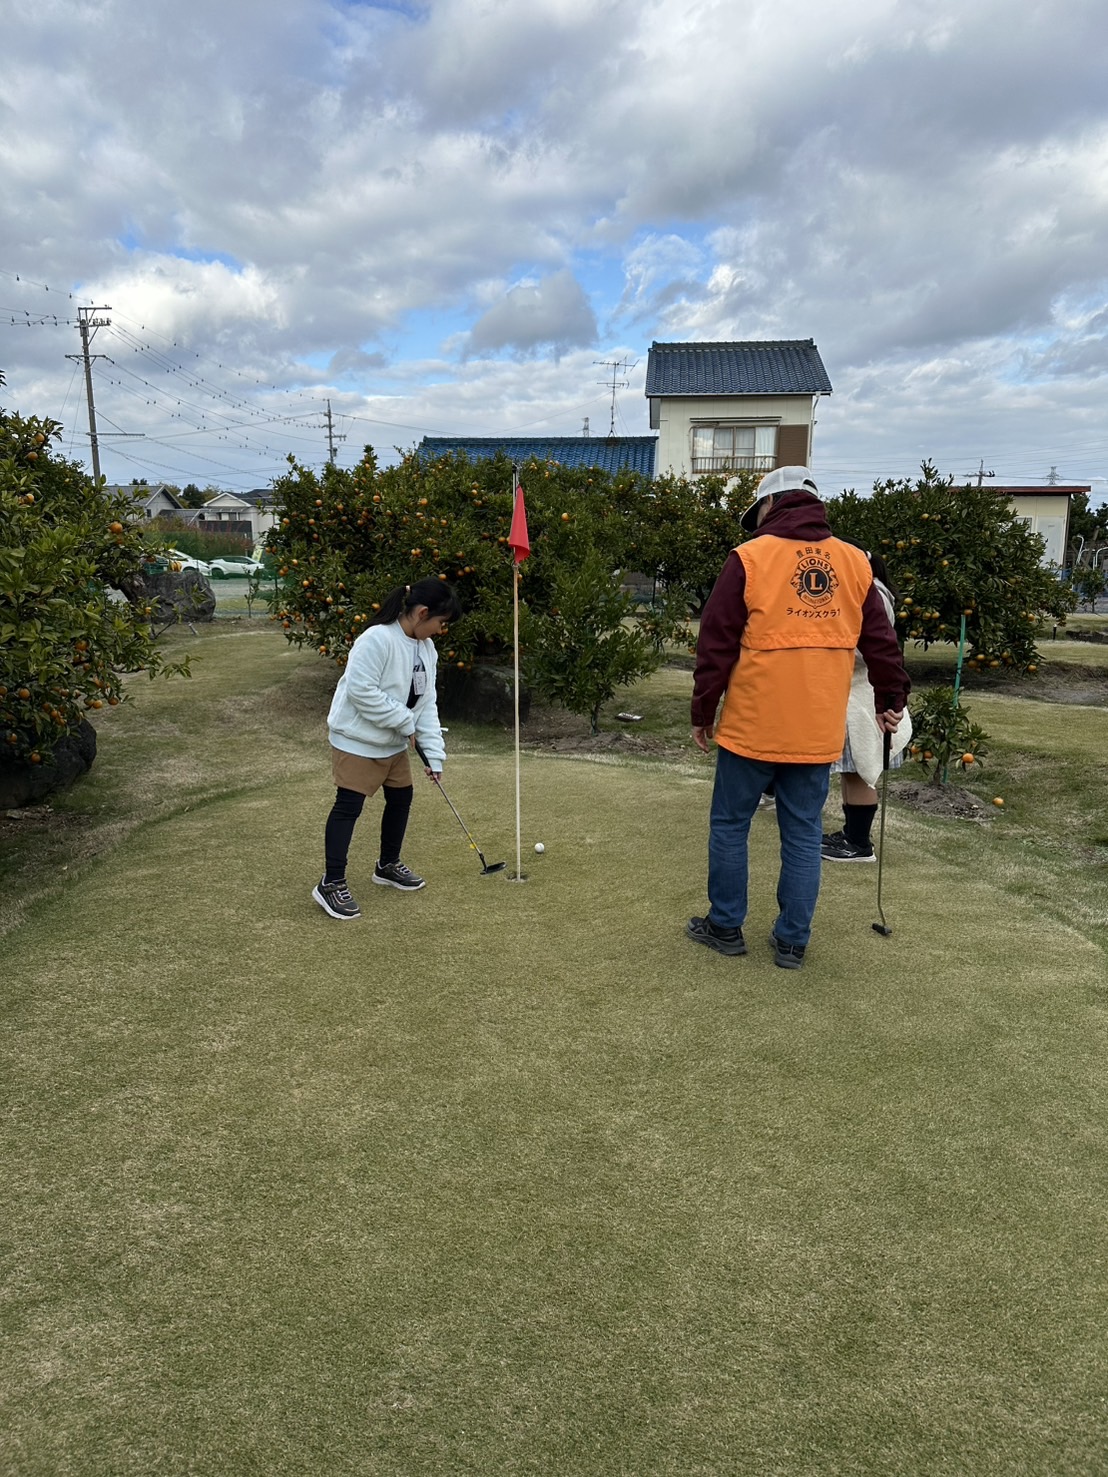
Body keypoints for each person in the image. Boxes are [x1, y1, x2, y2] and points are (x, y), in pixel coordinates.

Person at [687, 466, 911, 968]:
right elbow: (882, 644)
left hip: (751, 727)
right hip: (816, 729)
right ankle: (791, 941)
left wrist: (702, 711)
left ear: (769, 506)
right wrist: (889, 700)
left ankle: (724, 927)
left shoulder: (748, 557)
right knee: (805, 834)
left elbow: (716, 642)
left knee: (729, 825)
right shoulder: (855, 563)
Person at [312, 577, 462, 921]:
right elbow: (361, 692)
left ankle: (387, 865)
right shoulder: (376, 639)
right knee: (348, 806)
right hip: (358, 740)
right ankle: (331, 883)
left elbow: (427, 703)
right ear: (422, 613)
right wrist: (404, 722)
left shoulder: (426, 650)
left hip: (392, 742)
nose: (441, 631)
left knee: (400, 798)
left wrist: (434, 752)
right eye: (440, 623)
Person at [822, 546, 913, 862]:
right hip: (859, 694)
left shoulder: (870, 593)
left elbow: (868, 649)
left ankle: (858, 842)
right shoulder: (875, 590)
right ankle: (852, 835)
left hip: (862, 696)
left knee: (858, 771)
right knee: (852, 772)